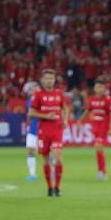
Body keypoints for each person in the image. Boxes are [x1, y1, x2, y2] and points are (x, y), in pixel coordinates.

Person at [27, 69, 69, 197]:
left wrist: (65, 119)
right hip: (43, 130)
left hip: (57, 129)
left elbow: (65, 107)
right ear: (43, 80)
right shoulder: (38, 95)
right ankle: (50, 187)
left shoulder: (59, 94)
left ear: (54, 80)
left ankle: (57, 187)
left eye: (51, 78)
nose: (49, 81)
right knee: (45, 160)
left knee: (58, 157)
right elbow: (31, 113)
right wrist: (46, 116)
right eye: (47, 78)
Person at [80, 79, 111, 180]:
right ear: (94, 88)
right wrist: (80, 121)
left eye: (101, 87)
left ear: (104, 88)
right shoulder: (92, 99)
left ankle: (102, 172)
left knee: (98, 146)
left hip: (104, 128)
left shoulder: (108, 100)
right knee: (98, 149)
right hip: (95, 128)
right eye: (97, 87)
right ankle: (101, 171)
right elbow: (87, 111)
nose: (99, 89)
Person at [23, 81, 40, 181]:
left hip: (43, 130)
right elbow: (30, 116)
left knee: (48, 153)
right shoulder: (29, 102)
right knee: (30, 151)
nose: (34, 90)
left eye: (36, 88)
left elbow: (32, 114)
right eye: (33, 88)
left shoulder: (43, 101)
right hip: (32, 131)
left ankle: (52, 172)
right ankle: (32, 174)